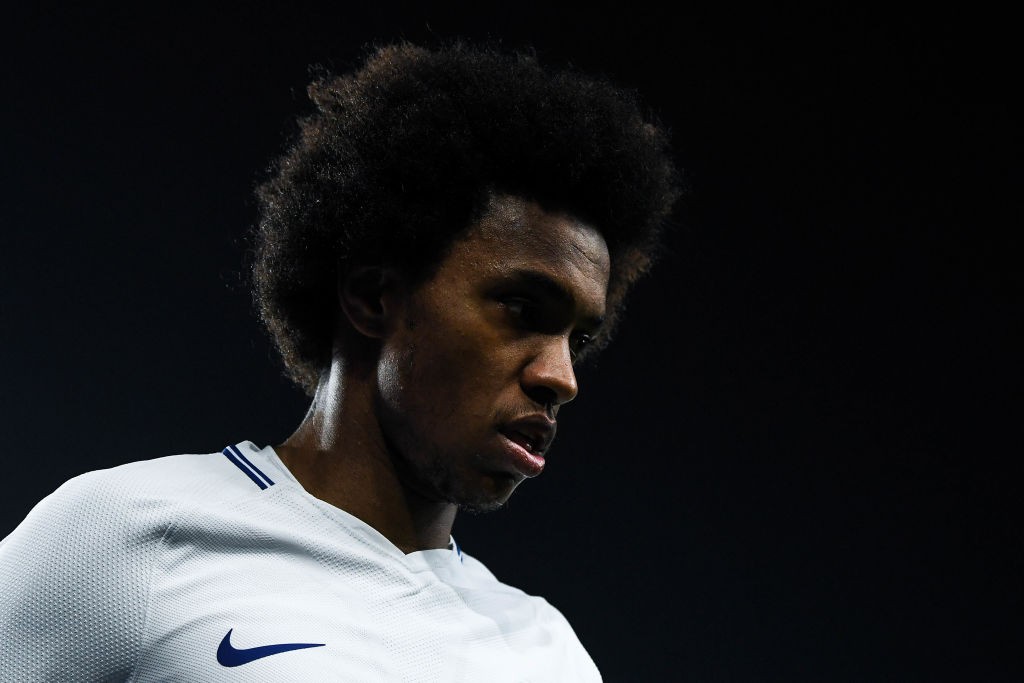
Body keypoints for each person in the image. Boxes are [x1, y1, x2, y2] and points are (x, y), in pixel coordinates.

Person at [0, 41, 679, 681]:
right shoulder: (128, 535)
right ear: (373, 295)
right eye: (522, 309)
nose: (560, 377)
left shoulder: (549, 653)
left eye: (579, 339)